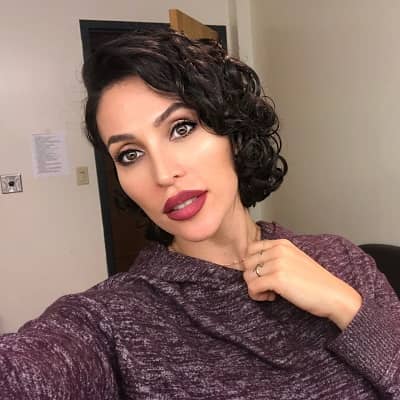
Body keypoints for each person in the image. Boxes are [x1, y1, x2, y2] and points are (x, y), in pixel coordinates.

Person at [1, 30, 399, 400]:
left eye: (181, 128)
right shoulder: (112, 321)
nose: (162, 174)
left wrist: (345, 306)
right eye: (130, 154)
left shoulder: (341, 260)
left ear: (232, 131)